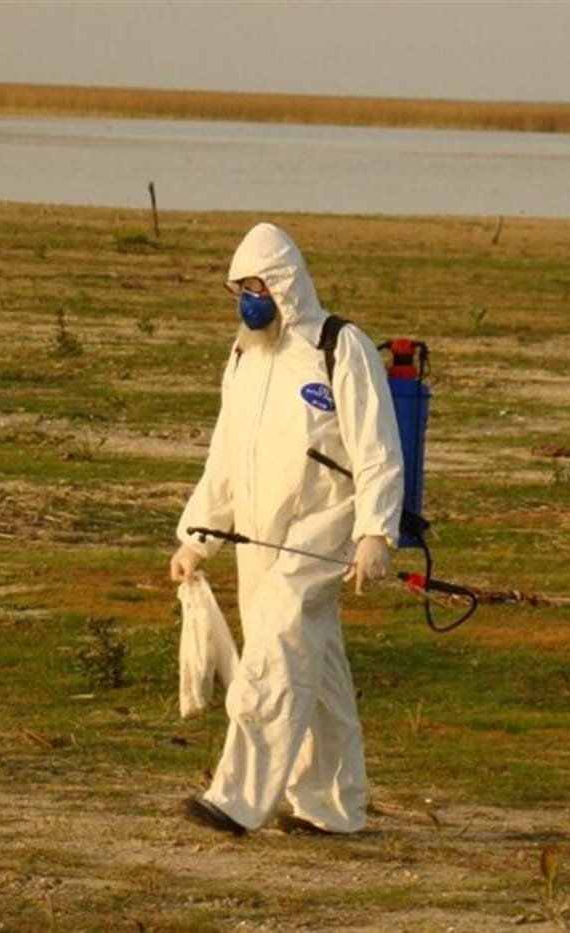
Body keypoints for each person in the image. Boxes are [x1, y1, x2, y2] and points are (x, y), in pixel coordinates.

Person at [169, 222, 404, 836]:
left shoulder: (338, 346)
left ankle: (237, 798)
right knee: (315, 664)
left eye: (258, 286)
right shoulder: (245, 356)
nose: (249, 299)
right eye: (240, 288)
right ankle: (332, 807)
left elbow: (377, 444)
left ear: (286, 284)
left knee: (275, 644)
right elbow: (226, 453)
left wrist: (375, 532)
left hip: (326, 526)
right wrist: (198, 537)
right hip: (257, 533)